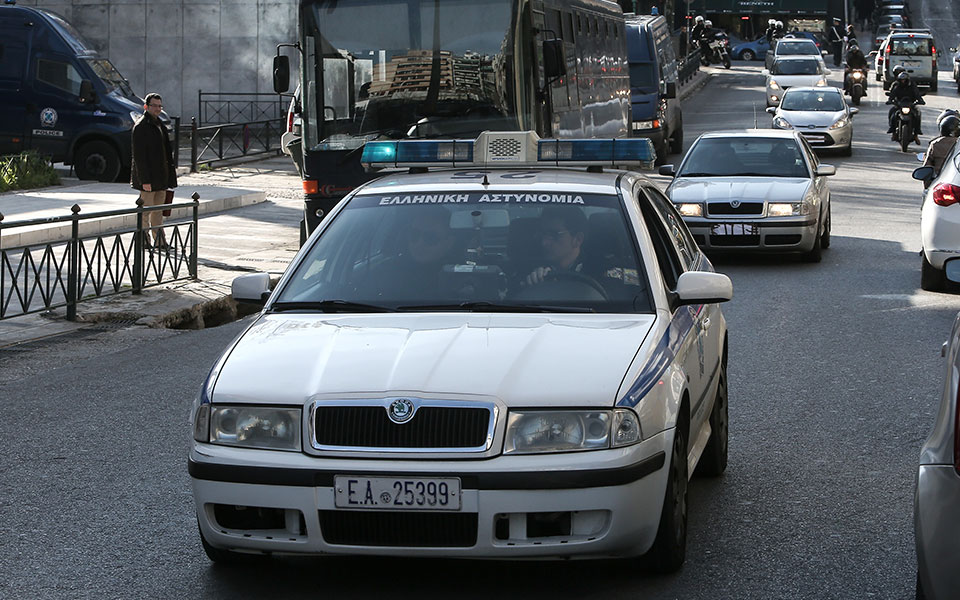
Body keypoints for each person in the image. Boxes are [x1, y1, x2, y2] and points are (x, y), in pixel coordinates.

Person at [131, 92, 177, 249]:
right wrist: (145, 180)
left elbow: (166, 153)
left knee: (158, 211)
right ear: (146, 106)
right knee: (145, 212)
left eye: (159, 106)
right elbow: (139, 157)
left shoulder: (159, 124)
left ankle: (160, 241)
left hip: (161, 177)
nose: (157, 109)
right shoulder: (141, 126)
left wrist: (169, 177)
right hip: (149, 178)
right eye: (154, 106)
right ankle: (144, 241)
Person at [523, 207, 590, 287]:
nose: (544, 243)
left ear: (577, 239)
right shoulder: (528, 269)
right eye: (543, 234)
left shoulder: (598, 271)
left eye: (554, 235)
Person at [886, 69, 924, 137]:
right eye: (901, 80)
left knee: (917, 114)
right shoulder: (896, 85)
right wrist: (890, 100)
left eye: (904, 80)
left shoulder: (912, 85)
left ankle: (916, 132)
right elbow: (893, 93)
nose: (903, 81)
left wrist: (920, 100)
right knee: (892, 112)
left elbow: (917, 93)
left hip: (910, 104)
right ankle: (892, 129)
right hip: (899, 104)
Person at [921, 115, 960, 182]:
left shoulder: (935, 144)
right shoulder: (958, 143)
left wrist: (928, 188)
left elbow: (927, 167)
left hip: (938, 182)